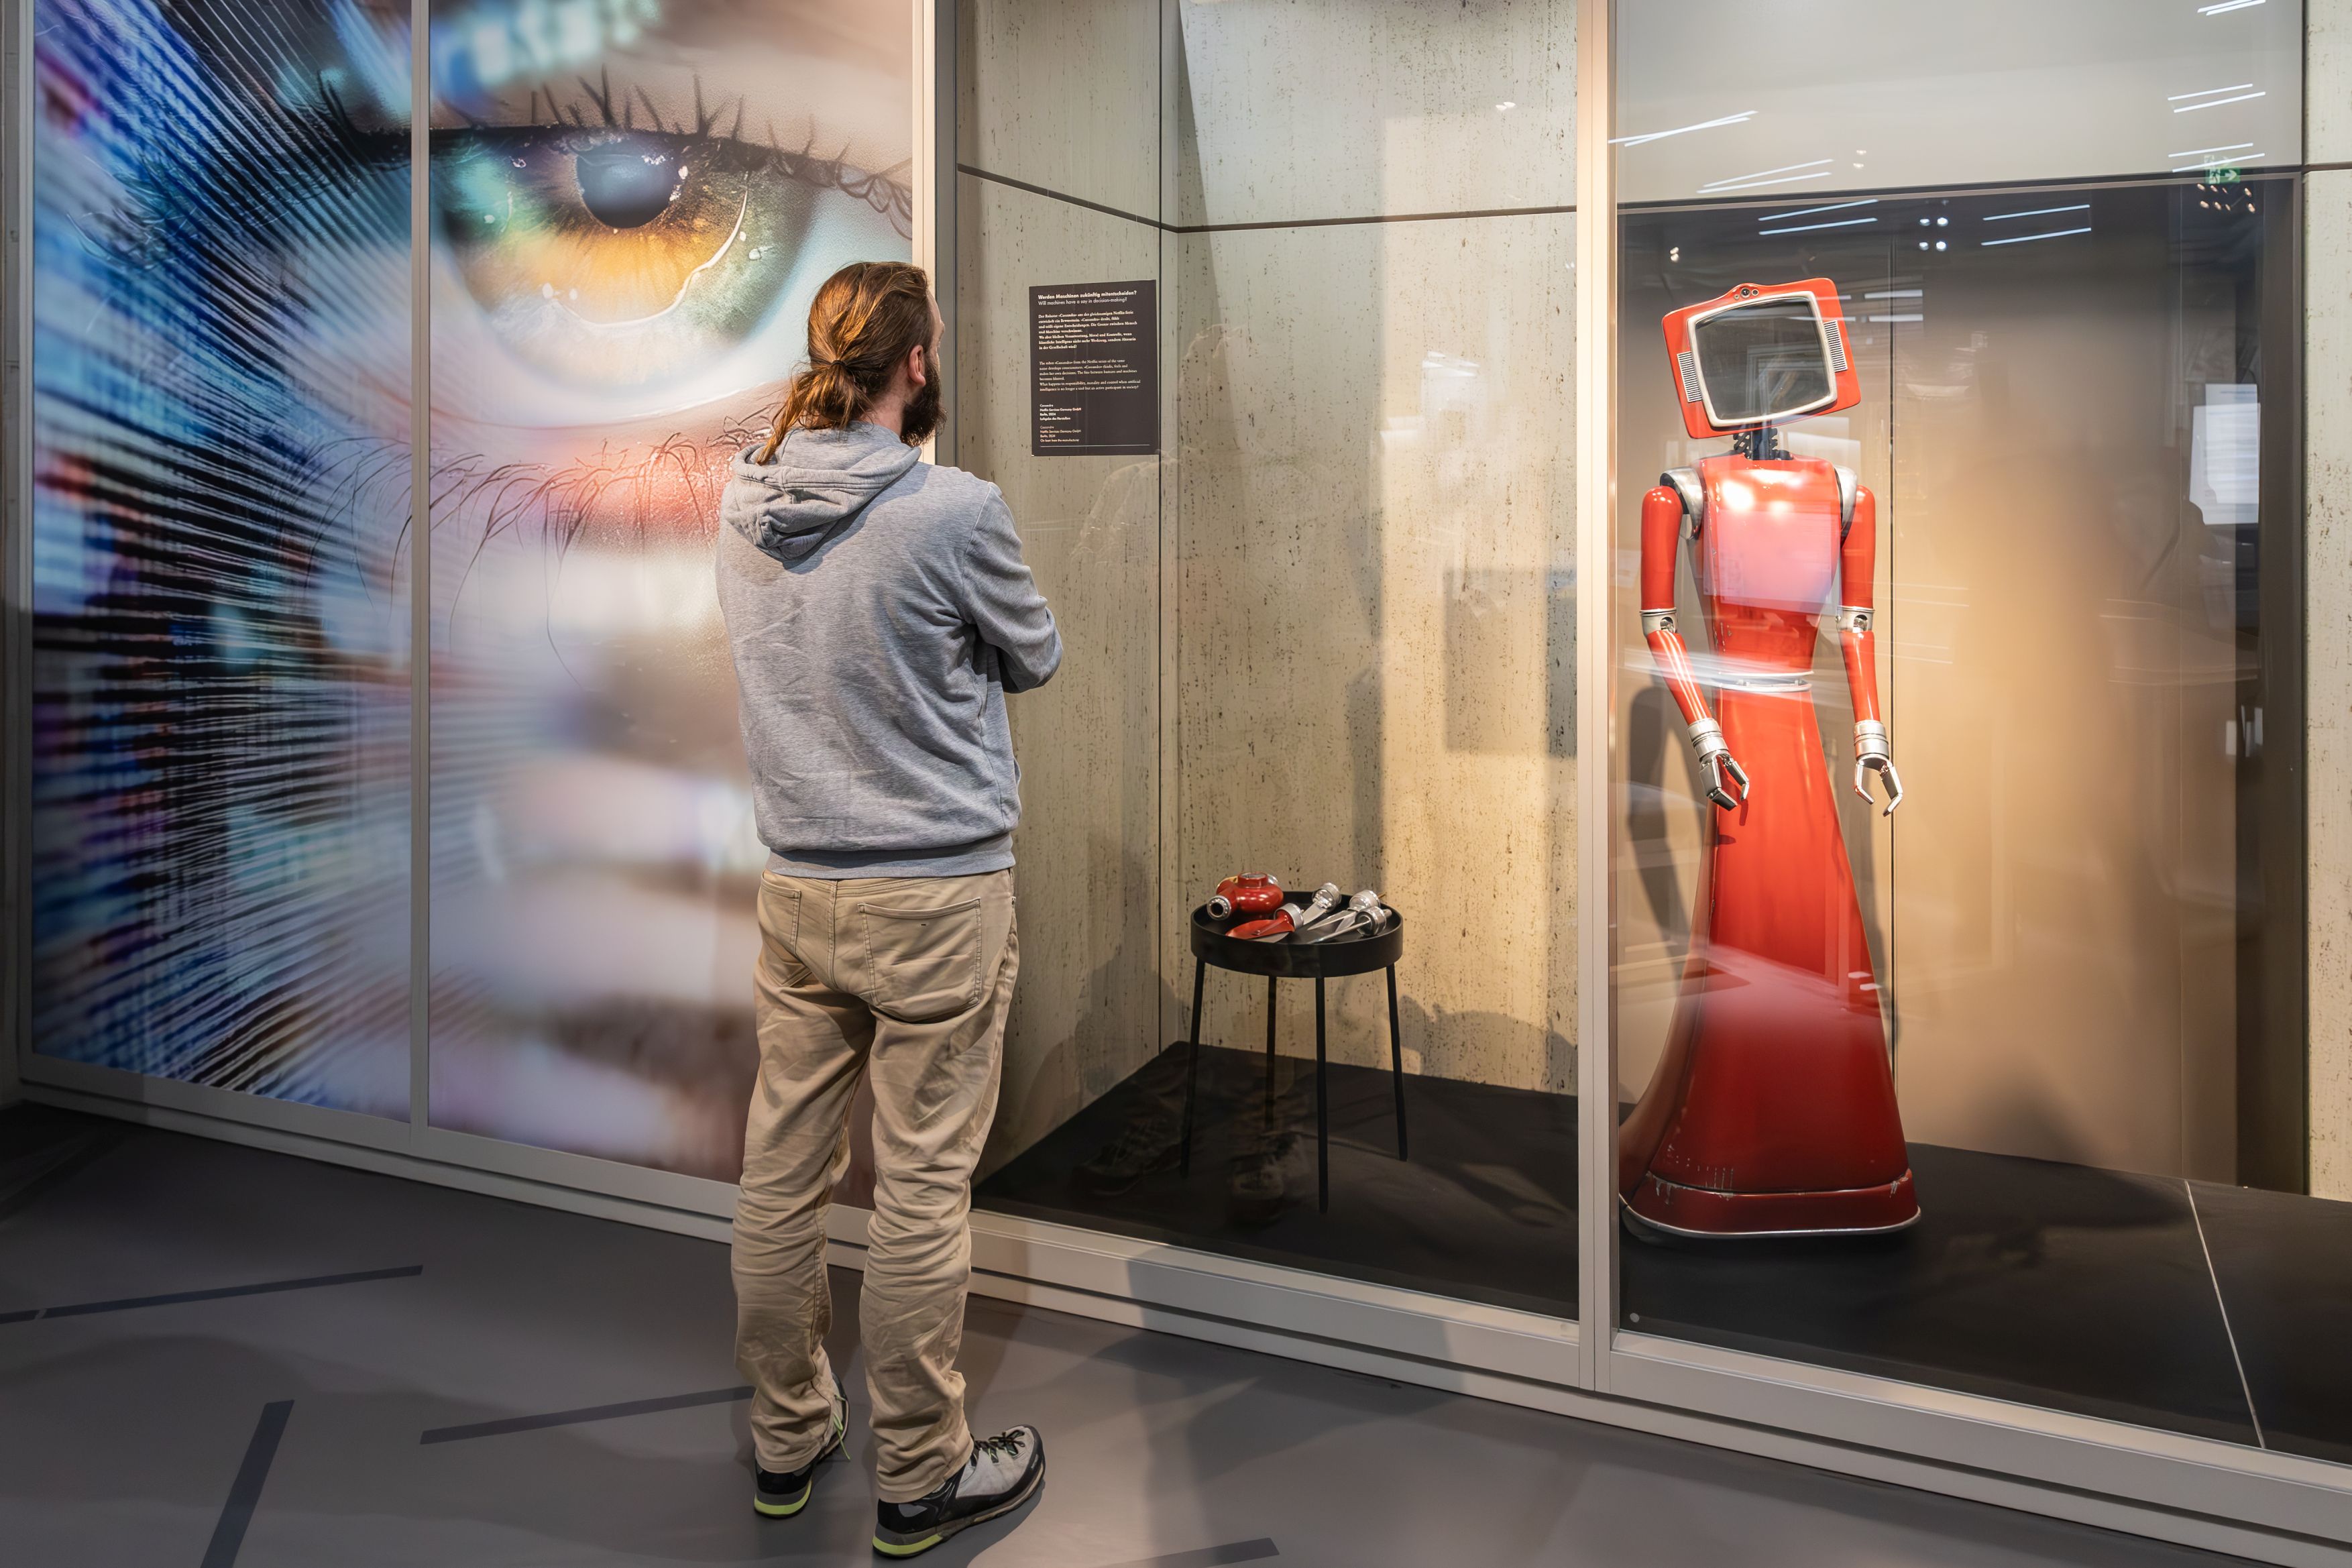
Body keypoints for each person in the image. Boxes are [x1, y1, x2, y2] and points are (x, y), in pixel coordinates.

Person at [716, 260, 1058, 1557]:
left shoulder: (741, 499)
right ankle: (920, 1475)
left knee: (781, 1173)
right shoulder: (952, 508)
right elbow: (1035, 653)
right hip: (935, 893)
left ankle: (787, 1437)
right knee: (920, 1187)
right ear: (916, 362)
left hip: (799, 888)